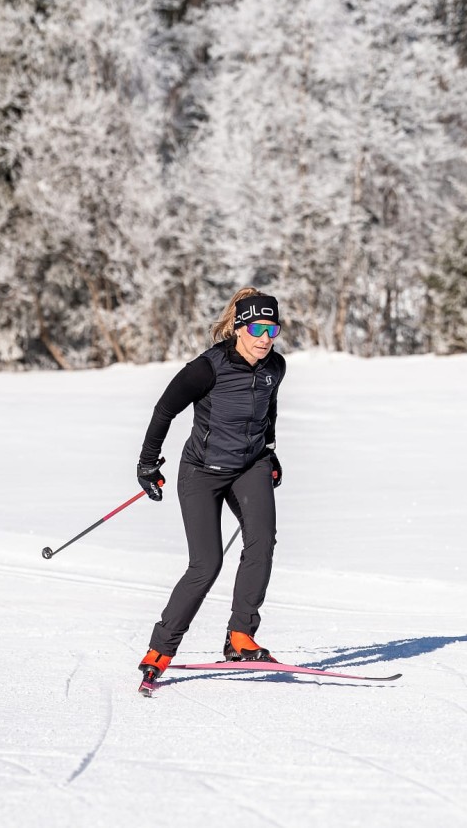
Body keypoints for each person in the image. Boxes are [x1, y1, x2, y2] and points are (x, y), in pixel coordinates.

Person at [135, 287, 286, 688]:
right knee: (207, 564)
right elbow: (165, 410)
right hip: (201, 471)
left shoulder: (275, 366)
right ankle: (160, 649)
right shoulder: (208, 367)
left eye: (272, 328)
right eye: (256, 327)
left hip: (250, 465)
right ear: (239, 327)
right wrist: (148, 463)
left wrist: (269, 453)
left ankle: (240, 635)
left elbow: (267, 411)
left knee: (262, 540)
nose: (264, 338)